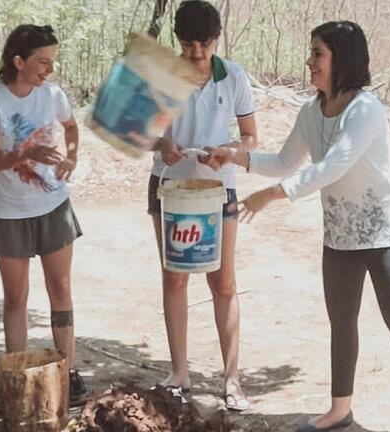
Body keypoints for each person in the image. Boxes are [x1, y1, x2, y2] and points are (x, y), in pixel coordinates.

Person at [209, 21, 390, 432]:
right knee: (341, 321)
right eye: (311, 53)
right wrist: (235, 156)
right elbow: (285, 161)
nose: (309, 62)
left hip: (385, 230)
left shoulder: (366, 109)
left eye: (318, 54)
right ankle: (340, 410)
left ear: (341, 59)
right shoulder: (311, 111)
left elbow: (332, 167)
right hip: (340, 234)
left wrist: (270, 196)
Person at [0, 24, 88, 406]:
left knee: (62, 288)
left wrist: (72, 157)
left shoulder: (52, 94)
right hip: (10, 212)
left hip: (53, 206)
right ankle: (17, 374)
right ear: (17, 61)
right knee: (15, 298)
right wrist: (26, 154)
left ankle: (67, 372)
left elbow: (71, 127)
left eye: (52, 62)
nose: (48, 70)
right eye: (42, 62)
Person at [146, 0, 256, 411]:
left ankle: (232, 379)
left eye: (204, 45)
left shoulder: (234, 77)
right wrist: (163, 143)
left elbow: (250, 137)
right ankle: (179, 372)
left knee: (223, 282)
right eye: (189, 45)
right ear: (178, 40)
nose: (196, 54)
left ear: (216, 40)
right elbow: (141, 132)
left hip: (217, 188)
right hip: (169, 187)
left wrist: (227, 150)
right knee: (174, 278)